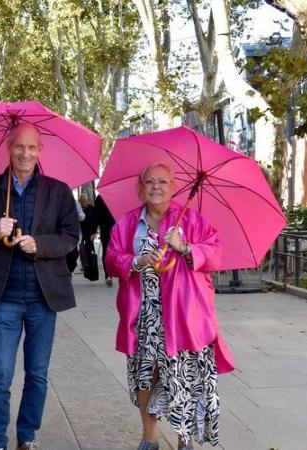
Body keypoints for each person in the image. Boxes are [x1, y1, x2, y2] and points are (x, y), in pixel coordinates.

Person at [0, 123, 79, 450]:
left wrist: (39, 243)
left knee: (38, 375)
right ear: (9, 148)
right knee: (1, 376)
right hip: (3, 298)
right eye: (19, 147)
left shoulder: (58, 191)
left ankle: (26, 437)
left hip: (45, 298)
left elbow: (71, 237)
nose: (25, 153)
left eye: (32, 148)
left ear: (40, 150)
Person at [105, 162, 234, 450]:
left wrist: (185, 247)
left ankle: (183, 440)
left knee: (182, 376)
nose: (156, 187)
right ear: (140, 188)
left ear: (173, 187)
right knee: (145, 374)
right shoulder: (127, 223)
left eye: (163, 182)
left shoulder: (191, 220)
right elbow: (111, 258)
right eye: (149, 182)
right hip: (143, 315)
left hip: (183, 315)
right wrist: (135, 261)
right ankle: (149, 438)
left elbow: (215, 254)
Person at [91, 193, 115, 286]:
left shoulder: (100, 197)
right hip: (118, 227)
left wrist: (93, 231)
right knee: (117, 251)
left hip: (105, 228)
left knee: (106, 251)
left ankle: (108, 275)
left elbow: (96, 216)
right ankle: (112, 273)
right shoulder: (118, 195)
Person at [78, 193, 96, 279]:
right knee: (81, 249)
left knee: (89, 248)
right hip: (81, 232)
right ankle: (84, 264)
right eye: (82, 201)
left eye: (85, 200)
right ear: (79, 201)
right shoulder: (78, 209)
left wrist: (94, 232)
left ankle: (89, 265)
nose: (84, 202)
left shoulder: (91, 208)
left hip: (89, 233)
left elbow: (94, 221)